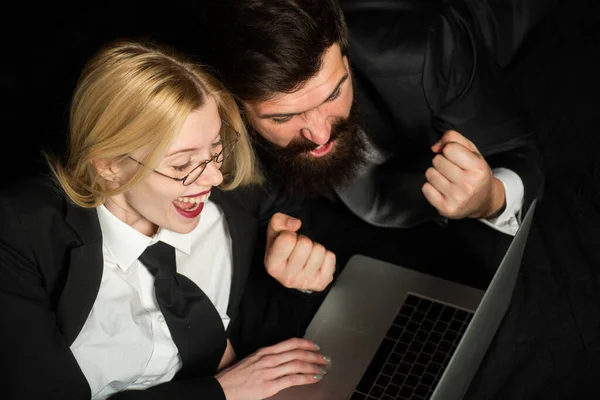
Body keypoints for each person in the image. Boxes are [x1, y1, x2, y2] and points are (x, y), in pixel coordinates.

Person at [0, 39, 335, 400]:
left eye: (216, 151)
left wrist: (302, 270)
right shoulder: (19, 236)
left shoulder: (235, 195)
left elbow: (299, 227)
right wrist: (221, 391)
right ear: (109, 166)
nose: (213, 179)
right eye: (181, 165)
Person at [198, 0, 545, 292]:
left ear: (346, 60)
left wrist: (490, 198)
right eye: (282, 118)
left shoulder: (426, 51)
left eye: (334, 93)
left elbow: (519, 152)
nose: (319, 135)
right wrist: (294, 263)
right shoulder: (214, 118)